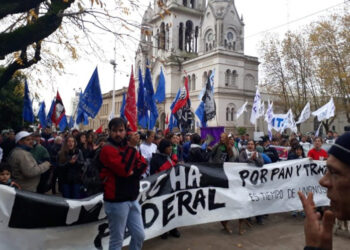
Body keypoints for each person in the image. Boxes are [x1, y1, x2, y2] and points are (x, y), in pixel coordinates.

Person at [99, 118, 147, 250]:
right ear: (109, 132)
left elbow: (143, 164)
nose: (118, 134)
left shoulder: (127, 147)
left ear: (126, 131)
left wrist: (131, 171)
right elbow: (124, 169)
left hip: (132, 198)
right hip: (116, 201)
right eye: (114, 131)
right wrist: (131, 149)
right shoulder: (107, 149)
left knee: (139, 235)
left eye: (121, 130)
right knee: (117, 240)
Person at [298, 132, 350, 250]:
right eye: (327, 170)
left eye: (335, 172)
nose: (322, 181)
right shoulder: (311, 152)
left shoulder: (323, 152)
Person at [150, 139, 181, 239]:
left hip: (172, 187)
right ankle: (163, 230)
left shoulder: (170, 157)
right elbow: (153, 175)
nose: (171, 149)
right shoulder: (156, 159)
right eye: (168, 147)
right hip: (162, 189)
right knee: (163, 209)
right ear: (163, 148)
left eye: (171, 147)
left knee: (173, 208)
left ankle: (173, 228)